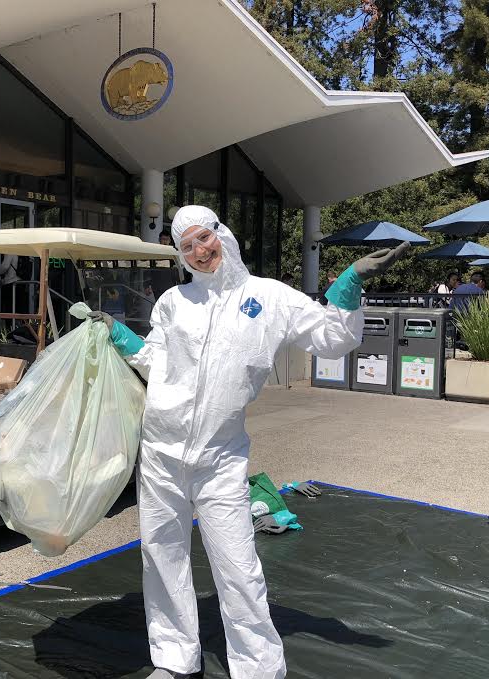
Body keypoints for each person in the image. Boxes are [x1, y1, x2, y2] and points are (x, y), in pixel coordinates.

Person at [90, 205, 408, 679]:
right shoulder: (174, 303)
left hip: (220, 457)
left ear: (223, 233)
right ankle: (174, 659)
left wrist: (348, 284)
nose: (200, 252)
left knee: (238, 568)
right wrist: (123, 339)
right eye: (188, 247)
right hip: (160, 452)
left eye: (204, 238)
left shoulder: (270, 298)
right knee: (162, 557)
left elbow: (333, 337)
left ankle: (258, 668)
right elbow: (157, 362)